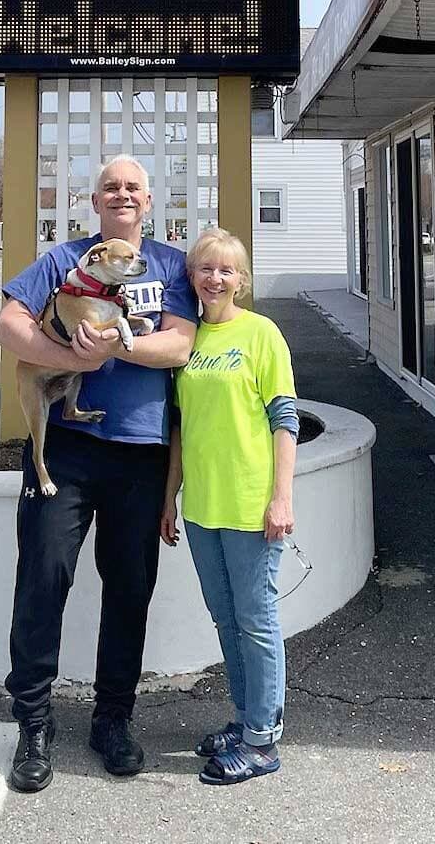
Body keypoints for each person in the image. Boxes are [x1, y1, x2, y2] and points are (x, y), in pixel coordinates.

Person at [0, 156, 198, 794]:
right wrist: (67, 355)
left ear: (149, 198)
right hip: (69, 450)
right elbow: (7, 326)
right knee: (43, 578)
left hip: (140, 452)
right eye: (112, 186)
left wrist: (118, 347)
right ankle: (32, 722)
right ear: (95, 200)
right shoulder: (64, 261)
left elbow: (180, 345)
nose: (123, 195)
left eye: (134, 186)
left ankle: (113, 718)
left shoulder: (169, 267)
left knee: (130, 587)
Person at [161, 227, 298, 785]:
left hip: (250, 506)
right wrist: (170, 496)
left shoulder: (262, 335)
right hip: (203, 508)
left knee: (257, 621)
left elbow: (284, 419)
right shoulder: (186, 340)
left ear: (241, 280)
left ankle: (262, 742)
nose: (214, 278)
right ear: (191, 276)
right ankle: (245, 721)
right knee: (226, 620)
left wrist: (281, 498)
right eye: (205, 268)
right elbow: (179, 428)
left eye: (226, 270)